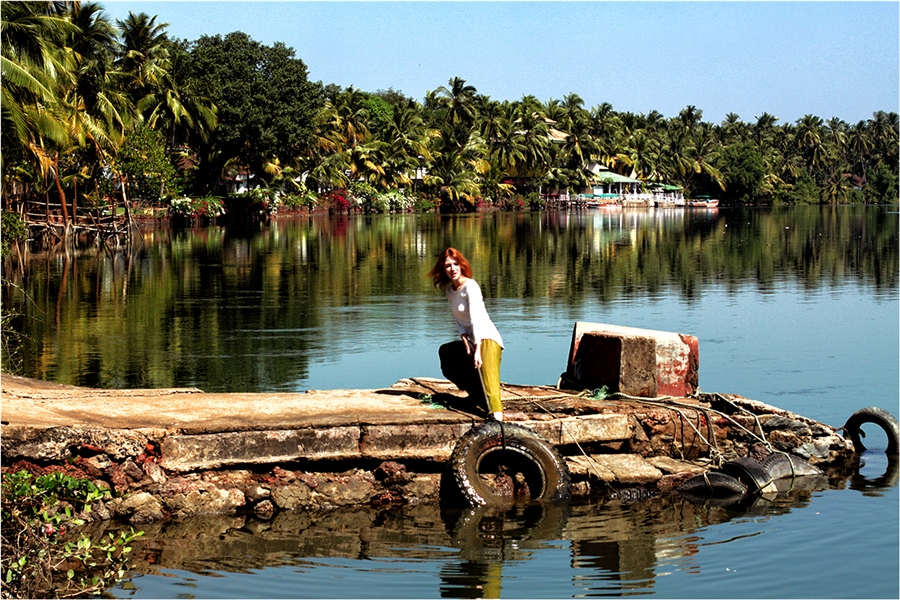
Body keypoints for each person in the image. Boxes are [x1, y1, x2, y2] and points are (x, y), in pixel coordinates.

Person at [428, 247, 504, 421]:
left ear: (461, 265)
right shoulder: (450, 291)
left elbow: (476, 319)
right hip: (472, 339)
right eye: (448, 266)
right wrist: (464, 339)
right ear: (443, 269)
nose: (452, 269)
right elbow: (459, 320)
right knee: (447, 354)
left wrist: (477, 349)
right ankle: (475, 397)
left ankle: (498, 421)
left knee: (490, 385)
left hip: (487, 339)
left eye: (456, 264)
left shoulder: (471, 286)